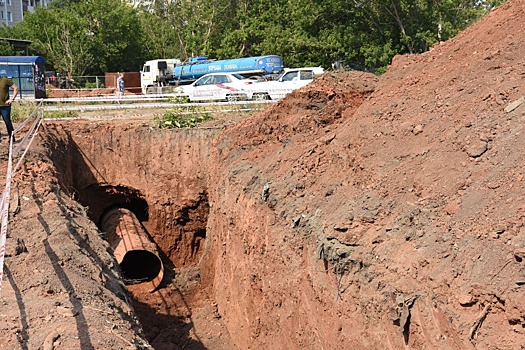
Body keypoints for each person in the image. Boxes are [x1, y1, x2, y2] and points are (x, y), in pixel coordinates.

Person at [0, 76, 18, 143]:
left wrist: (12, 99)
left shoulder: (5, 80)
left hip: (5, 106)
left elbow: (15, 88)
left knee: (7, 122)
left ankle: (12, 137)